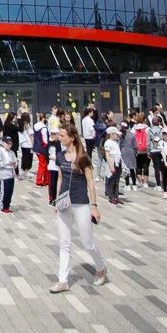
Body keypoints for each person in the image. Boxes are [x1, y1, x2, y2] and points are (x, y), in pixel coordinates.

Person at [49, 124, 108, 293]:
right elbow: (60, 178)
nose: (59, 138)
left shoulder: (83, 158)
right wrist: (57, 201)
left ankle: (100, 267)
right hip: (64, 204)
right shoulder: (60, 156)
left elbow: (90, 183)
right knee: (64, 242)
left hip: (81, 203)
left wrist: (94, 207)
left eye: (62, 135)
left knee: (87, 243)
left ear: (71, 137)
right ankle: (63, 280)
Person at [0, 135, 19, 213]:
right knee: (4, 191)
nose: (9, 145)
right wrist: (7, 163)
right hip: (3, 174)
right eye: (7, 143)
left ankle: (7, 206)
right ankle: (3, 206)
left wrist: (15, 164)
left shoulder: (12, 152)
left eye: (10, 143)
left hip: (11, 174)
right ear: (3, 143)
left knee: (10, 191)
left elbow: (15, 162)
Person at [102, 127, 123, 205]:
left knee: (117, 181)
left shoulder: (115, 142)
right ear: (111, 134)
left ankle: (116, 196)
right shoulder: (108, 142)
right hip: (112, 161)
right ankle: (111, 197)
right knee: (111, 181)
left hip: (118, 161)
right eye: (116, 134)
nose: (117, 136)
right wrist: (111, 166)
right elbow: (107, 155)